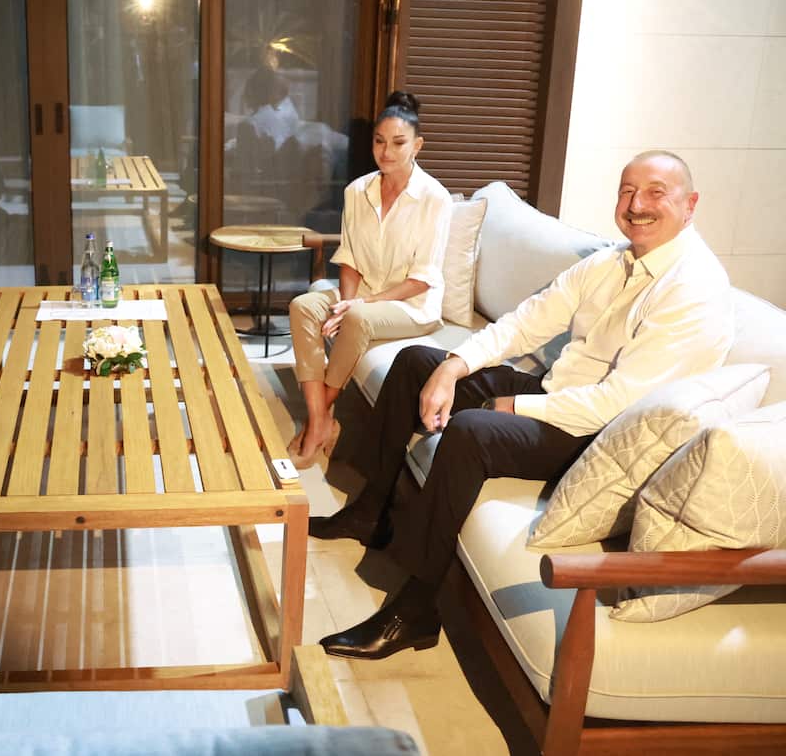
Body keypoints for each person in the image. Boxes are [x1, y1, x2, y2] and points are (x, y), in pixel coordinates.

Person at [309, 150, 734, 661]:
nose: (636, 205)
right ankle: (371, 510)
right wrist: (453, 367)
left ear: (690, 204)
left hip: (595, 431)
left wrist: (512, 407)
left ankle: (415, 610)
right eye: (627, 191)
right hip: (560, 392)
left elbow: (617, 405)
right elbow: (526, 321)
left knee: (471, 431)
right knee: (417, 363)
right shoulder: (611, 261)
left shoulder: (693, 288)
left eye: (655, 193)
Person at [286, 91, 453, 468]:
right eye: (379, 141)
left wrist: (357, 306)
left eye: (398, 143)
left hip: (411, 305)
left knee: (359, 317)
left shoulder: (435, 199)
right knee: (303, 306)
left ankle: (315, 425)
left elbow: (422, 279)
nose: (386, 151)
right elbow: (349, 260)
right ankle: (322, 419)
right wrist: (347, 301)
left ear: (417, 145)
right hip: (363, 294)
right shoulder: (357, 191)